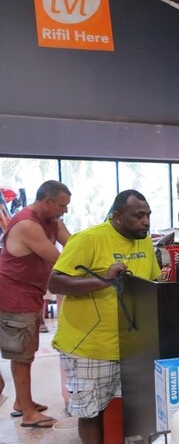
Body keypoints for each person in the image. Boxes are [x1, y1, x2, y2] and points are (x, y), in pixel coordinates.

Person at [49, 190, 161, 444]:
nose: (146, 221)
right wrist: (104, 280)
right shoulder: (88, 239)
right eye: (139, 215)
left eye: (148, 215)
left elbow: (151, 282)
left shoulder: (143, 241)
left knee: (130, 410)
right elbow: (55, 282)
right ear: (118, 216)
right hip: (89, 346)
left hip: (132, 345)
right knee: (91, 413)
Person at [0, 180, 71, 427]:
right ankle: (28, 414)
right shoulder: (28, 224)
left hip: (30, 293)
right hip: (13, 295)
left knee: (27, 350)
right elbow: (60, 260)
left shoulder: (52, 220)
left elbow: (71, 244)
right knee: (21, 355)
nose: (65, 211)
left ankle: (22, 402)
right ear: (47, 202)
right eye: (62, 206)